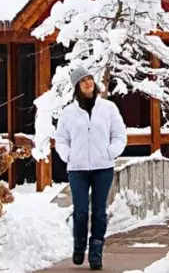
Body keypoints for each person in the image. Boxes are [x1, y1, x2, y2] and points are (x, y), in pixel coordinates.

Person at [55, 65, 127, 270]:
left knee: (99, 211)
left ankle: (96, 252)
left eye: (90, 79)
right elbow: (61, 139)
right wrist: (67, 155)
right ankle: (79, 246)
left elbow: (120, 135)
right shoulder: (68, 113)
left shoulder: (108, 108)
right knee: (80, 211)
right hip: (77, 169)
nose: (88, 82)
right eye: (83, 80)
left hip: (103, 167)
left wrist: (111, 152)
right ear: (77, 86)